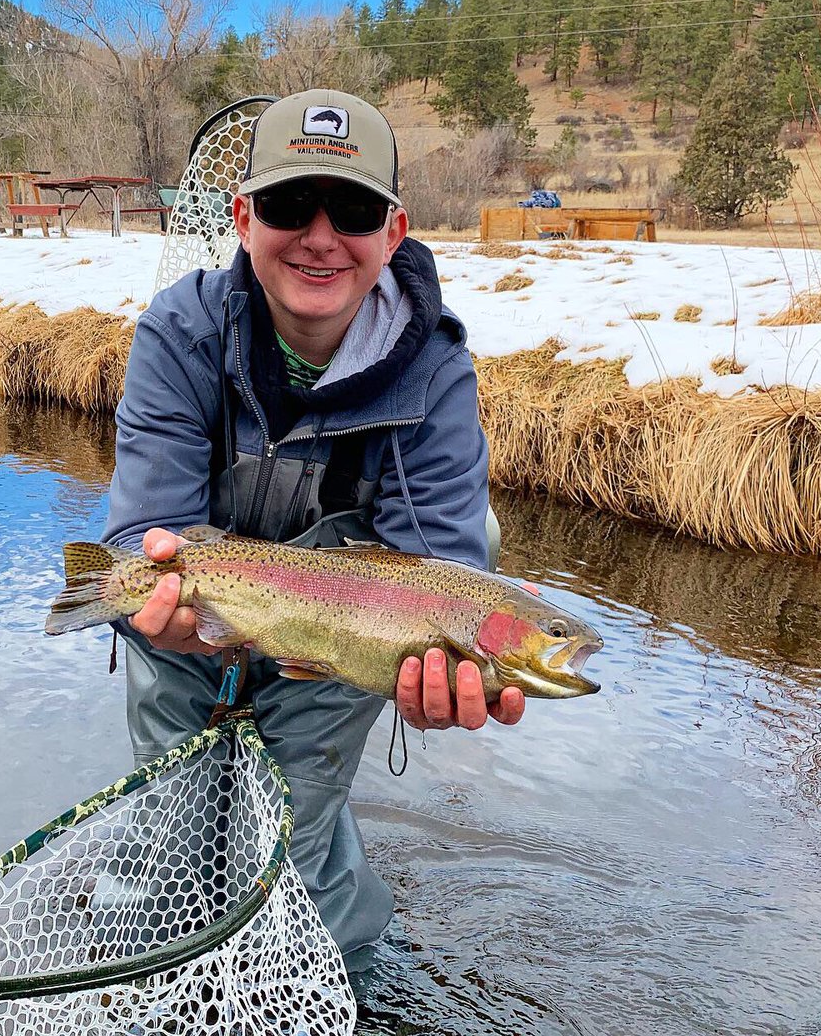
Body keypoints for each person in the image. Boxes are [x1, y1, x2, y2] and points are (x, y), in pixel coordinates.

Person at [102, 88, 525, 973]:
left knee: (290, 836)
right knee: (174, 834)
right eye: (293, 205)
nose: (321, 237)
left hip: (343, 639)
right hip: (189, 618)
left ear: (395, 231)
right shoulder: (179, 332)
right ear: (243, 218)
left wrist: (435, 669)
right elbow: (139, 531)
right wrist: (150, 598)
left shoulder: (435, 370)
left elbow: (445, 564)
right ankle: (166, 966)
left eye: (355, 210)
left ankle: (334, 980)